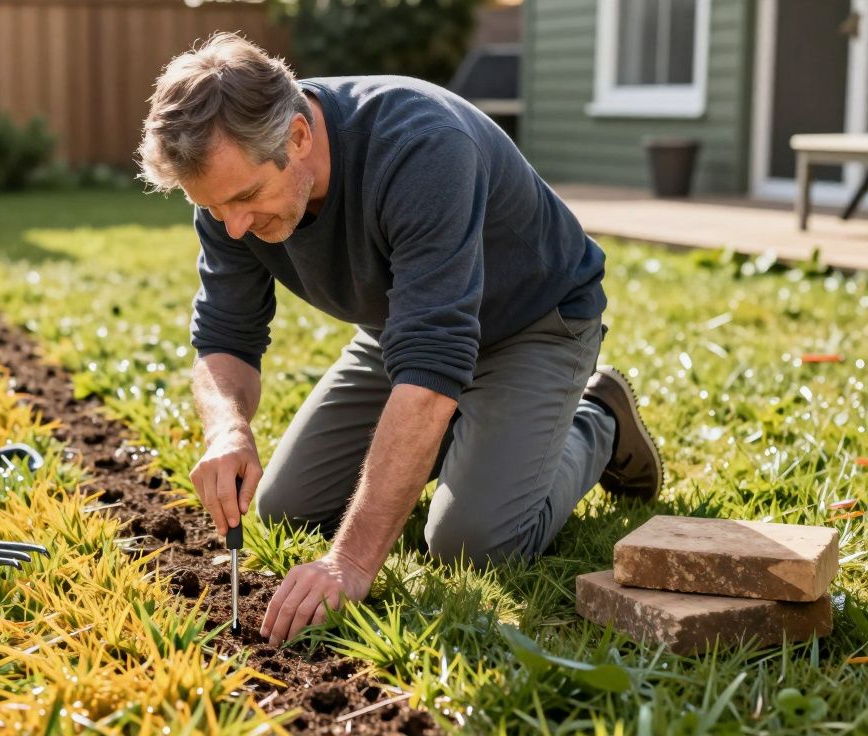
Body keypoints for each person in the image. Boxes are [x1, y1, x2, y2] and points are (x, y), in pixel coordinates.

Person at [135, 33, 662, 648]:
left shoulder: (421, 147)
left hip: (533, 323)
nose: (235, 226)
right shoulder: (229, 188)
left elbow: (434, 365)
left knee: (470, 545)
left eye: (248, 198)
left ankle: (596, 419)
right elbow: (225, 333)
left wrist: (351, 563)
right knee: (285, 509)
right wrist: (227, 428)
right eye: (215, 207)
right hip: (402, 330)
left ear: (298, 137)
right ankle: (472, 439)